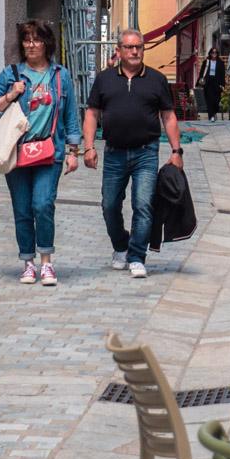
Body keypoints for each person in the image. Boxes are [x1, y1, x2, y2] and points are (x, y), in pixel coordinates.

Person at [0, 20, 79, 287]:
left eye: (36, 40)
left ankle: (46, 262)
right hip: (17, 152)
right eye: (27, 40)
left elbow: (71, 114)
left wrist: (74, 150)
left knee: (43, 204)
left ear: (47, 43)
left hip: (50, 151)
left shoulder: (61, 76)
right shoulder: (12, 74)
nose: (31, 45)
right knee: (23, 209)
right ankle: (28, 262)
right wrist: (11, 94)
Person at [83, 29, 181, 278]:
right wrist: (89, 147)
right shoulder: (104, 79)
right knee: (109, 205)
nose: (135, 51)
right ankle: (121, 245)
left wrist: (176, 150)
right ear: (119, 50)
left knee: (143, 205)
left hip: (146, 152)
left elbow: (168, 116)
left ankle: (137, 255)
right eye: (129, 47)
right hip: (114, 153)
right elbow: (92, 113)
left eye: (139, 47)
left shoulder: (156, 79)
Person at [200, 47, 225, 119]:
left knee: (216, 100)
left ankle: (214, 112)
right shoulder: (206, 62)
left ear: (217, 54)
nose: (214, 54)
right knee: (209, 100)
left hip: (217, 82)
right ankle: (211, 116)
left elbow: (222, 74)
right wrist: (201, 80)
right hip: (208, 82)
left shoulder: (220, 63)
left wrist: (223, 84)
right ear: (210, 53)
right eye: (212, 52)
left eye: (215, 52)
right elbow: (202, 72)